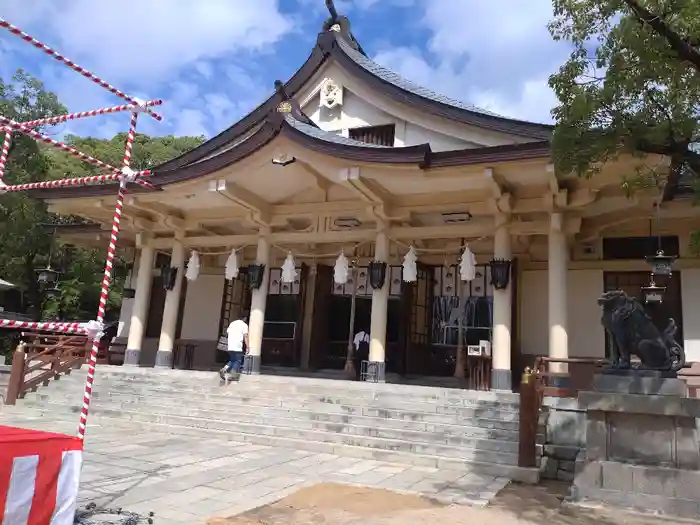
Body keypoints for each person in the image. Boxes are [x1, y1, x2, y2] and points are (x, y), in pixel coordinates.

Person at [219, 316, 249, 381]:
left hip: (230, 345)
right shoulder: (244, 325)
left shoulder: (232, 323)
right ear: (245, 318)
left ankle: (224, 369)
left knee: (232, 360)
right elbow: (246, 336)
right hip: (237, 346)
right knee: (238, 361)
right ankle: (233, 375)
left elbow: (227, 333)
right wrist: (247, 347)